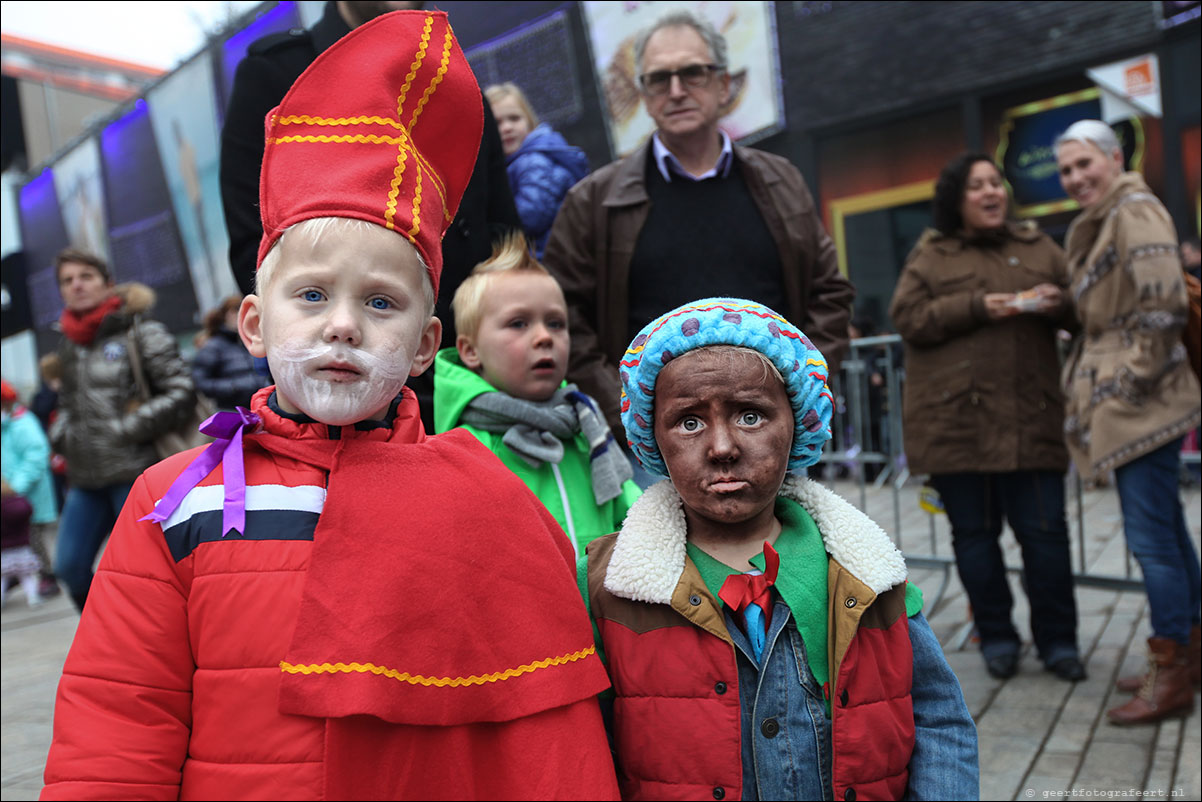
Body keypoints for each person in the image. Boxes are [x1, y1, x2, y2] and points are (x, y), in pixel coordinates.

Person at [41, 12, 618, 800]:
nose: (343, 323)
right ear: (254, 322)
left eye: (382, 303)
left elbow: (548, 754)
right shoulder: (174, 503)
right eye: (310, 294)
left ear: (425, 347)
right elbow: (117, 726)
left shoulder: (493, 501)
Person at [579, 297, 979, 800]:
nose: (722, 447)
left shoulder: (866, 571)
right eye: (689, 422)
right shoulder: (606, 588)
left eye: (750, 416)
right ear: (651, 437)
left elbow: (938, 718)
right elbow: (582, 749)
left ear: (799, 424)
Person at [543, 9, 854, 438]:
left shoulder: (781, 181)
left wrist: (801, 389)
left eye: (692, 72)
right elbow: (565, 317)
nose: (676, 91)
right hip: (653, 443)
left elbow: (829, 294)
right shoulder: (592, 202)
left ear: (723, 83)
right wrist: (627, 412)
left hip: (768, 429)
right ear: (644, 95)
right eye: (658, 78)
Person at [219, 0, 522, 433]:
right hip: (327, 393)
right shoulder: (273, 71)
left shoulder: (457, 89)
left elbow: (502, 240)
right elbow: (256, 240)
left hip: (466, 379)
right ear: (255, 323)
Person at [888, 153, 1085, 683]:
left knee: (1046, 536)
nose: (991, 192)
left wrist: (1057, 302)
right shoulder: (932, 256)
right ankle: (997, 636)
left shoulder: (1039, 246)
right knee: (974, 539)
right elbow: (907, 317)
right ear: (957, 199)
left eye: (996, 183)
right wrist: (979, 306)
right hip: (957, 427)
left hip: (1031, 422)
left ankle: (1059, 641)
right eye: (977, 186)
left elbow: (1080, 309)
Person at [1055, 120, 1202, 725]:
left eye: (1085, 163)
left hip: (1142, 402)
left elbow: (1164, 304)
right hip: (1136, 399)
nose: (1075, 178)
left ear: (1115, 158)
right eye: (1065, 170)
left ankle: (1172, 672)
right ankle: (1188, 653)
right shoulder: (1108, 217)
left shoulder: (1133, 209)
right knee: (1166, 531)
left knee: (1151, 543)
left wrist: (1124, 383)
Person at [434, 233, 640, 557]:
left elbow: (634, 517)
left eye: (556, 323)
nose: (544, 337)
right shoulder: (464, 449)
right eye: (519, 323)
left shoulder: (586, 427)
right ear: (471, 351)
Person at [48, 248, 195, 612]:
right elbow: (67, 404)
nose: (77, 286)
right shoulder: (70, 345)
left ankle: (154, 646)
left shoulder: (140, 331)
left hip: (135, 474)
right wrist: (62, 435)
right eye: (67, 281)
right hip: (86, 478)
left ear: (107, 283)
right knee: (69, 567)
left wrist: (125, 429)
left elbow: (182, 391)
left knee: (149, 575)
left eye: (86, 276)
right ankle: (109, 630)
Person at [484, 83, 589, 260]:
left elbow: (531, 215)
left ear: (530, 121)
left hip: (551, 262)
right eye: (497, 123)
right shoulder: (515, 163)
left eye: (514, 118)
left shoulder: (534, 161)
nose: (507, 128)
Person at [2, 378, 58, 606]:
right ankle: (16, 574)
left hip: (27, 497)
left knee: (32, 540)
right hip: (9, 500)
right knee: (13, 541)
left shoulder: (23, 424)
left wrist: (15, 487)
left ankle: (46, 575)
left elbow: (36, 457)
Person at [191, 295, 269, 410]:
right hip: (233, 412)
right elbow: (200, 382)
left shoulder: (253, 340)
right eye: (236, 309)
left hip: (261, 406)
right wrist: (234, 387)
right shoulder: (212, 346)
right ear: (225, 315)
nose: (239, 314)